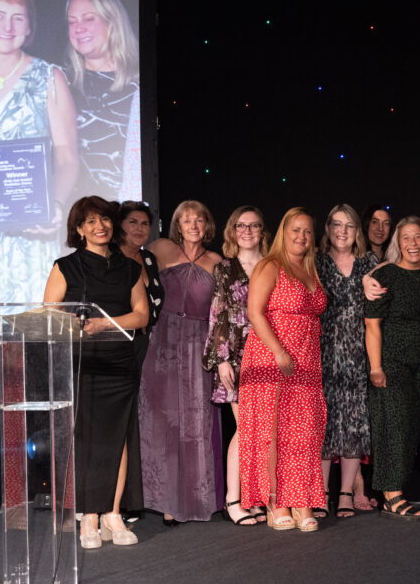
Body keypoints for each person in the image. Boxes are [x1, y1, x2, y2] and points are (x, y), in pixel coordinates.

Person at [42, 196, 147, 548]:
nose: (98, 226)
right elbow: (48, 314)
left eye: (103, 219)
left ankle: (113, 514)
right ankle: (89, 516)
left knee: (118, 439)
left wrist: (105, 324)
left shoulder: (130, 267)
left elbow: (141, 315)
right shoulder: (65, 267)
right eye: (89, 222)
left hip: (119, 362)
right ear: (78, 229)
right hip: (82, 362)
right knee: (87, 439)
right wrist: (71, 322)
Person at [238, 208, 327, 532]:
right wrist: (278, 351)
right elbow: (254, 311)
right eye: (295, 230)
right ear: (283, 233)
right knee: (272, 433)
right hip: (271, 358)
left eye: (307, 231)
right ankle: (277, 500)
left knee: (303, 434)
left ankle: (301, 499)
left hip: (306, 359)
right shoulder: (270, 265)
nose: (301, 237)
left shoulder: (309, 268)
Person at [0, 0, 78, 305]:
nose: (7, 27)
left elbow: (67, 158)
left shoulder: (49, 78)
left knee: (29, 338)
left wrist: (55, 204)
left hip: (31, 235)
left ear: (29, 28)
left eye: (18, 18)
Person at [138, 200, 222, 524]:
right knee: (161, 422)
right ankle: (165, 501)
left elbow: (225, 310)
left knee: (195, 423)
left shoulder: (217, 261)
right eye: (186, 220)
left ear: (207, 225)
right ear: (177, 224)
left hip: (199, 342)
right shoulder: (159, 248)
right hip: (161, 339)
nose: (193, 225)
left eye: (199, 220)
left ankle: (194, 498)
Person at [365, 216, 420, 520]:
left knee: (410, 428)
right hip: (391, 362)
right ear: (398, 243)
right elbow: (372, 324)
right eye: (406, 238)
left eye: (418, 238)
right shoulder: (388, 275)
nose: (412, 244)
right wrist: (376, 367)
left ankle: (393, 492)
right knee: (392, 427)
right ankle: (392, 494)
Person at [202, 205, 269, 526]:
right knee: (246, 430)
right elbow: (218, 315)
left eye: (254, 226)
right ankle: (233, 499)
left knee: (263, 432)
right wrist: (222, 361)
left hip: (268, 354)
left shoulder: (273, 266)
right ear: (232, 231)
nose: (247, 231)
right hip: (237, 356)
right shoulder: (224, 268)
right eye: (241, 226)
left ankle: (255, 499)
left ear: (262, 232)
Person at [316, 203, 376, 519]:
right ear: (327, 228)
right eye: (336, 224)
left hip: (358, 351)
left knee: (354, 422)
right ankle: (321, 492)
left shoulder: (370, 262)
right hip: (322, 351)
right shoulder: (315, 262)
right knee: (324, 421)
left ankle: (345, 493)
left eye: (349, 226)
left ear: (357, 231)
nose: (342, 231)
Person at [65, 0, 141, 200]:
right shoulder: (61, 84)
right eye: (72, 21)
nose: (78, 28)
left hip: (129, 214)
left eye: (88, 19)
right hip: (75, 215)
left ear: (113, 23)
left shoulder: (141, 84)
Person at [117, 200, 163, 366]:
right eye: (133, 222)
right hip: (117, 344)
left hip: (149, 345)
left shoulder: (149, 259)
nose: (139, 228)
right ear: (119, 225)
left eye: (145, 224)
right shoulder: (110, 260)